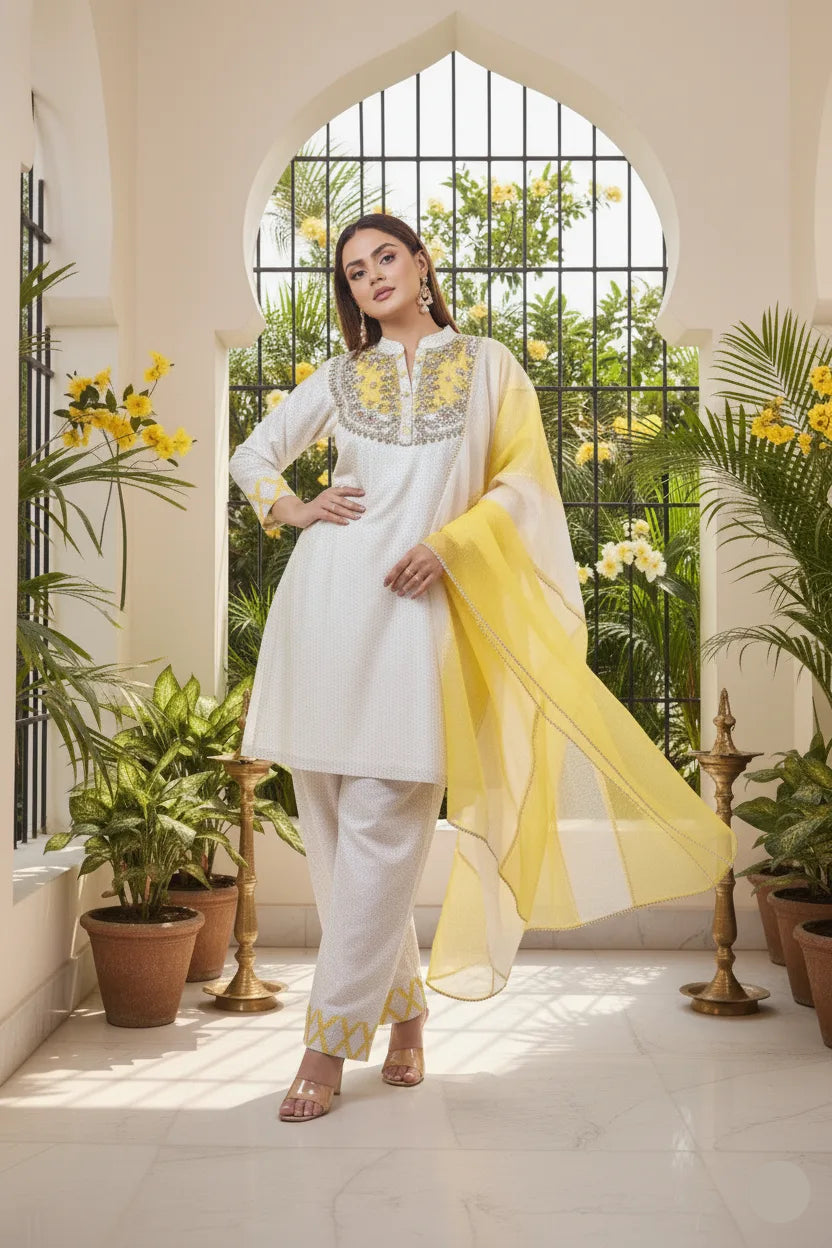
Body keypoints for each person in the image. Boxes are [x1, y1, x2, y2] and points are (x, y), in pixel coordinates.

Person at [228, 212, 737, 1124]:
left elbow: (524, 488)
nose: (372, 276)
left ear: (422, 267)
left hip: (418, 615)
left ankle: (324, 1045)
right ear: (348, 292)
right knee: (343, 841)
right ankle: (408, 1016)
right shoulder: (342, 379)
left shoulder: (492, 366)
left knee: (388, 823)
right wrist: (294, 508)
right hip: (324, 614)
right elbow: (251, 454)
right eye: (354, 270)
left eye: (387, 257)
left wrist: (452, 545)